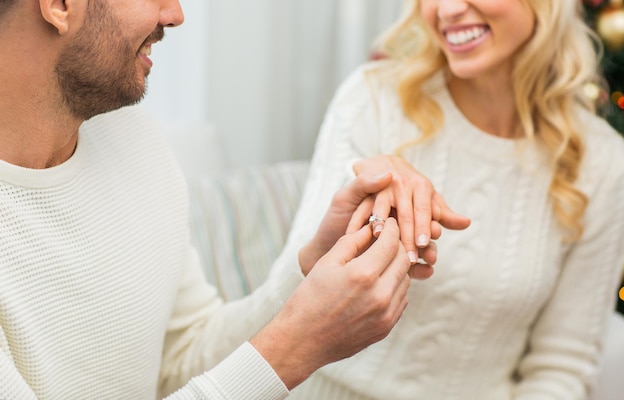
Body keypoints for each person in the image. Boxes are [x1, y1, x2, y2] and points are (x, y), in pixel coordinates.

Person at [0, 0, 471, 399]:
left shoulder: (130, 135)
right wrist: (298, 345)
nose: (176, 14)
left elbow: (183, 356)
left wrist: (309, 273)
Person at [270, 0, 624, 399]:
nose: (448, 9)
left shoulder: (601, 163)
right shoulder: (372, 99)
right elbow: (290, 298)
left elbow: (561, 367)